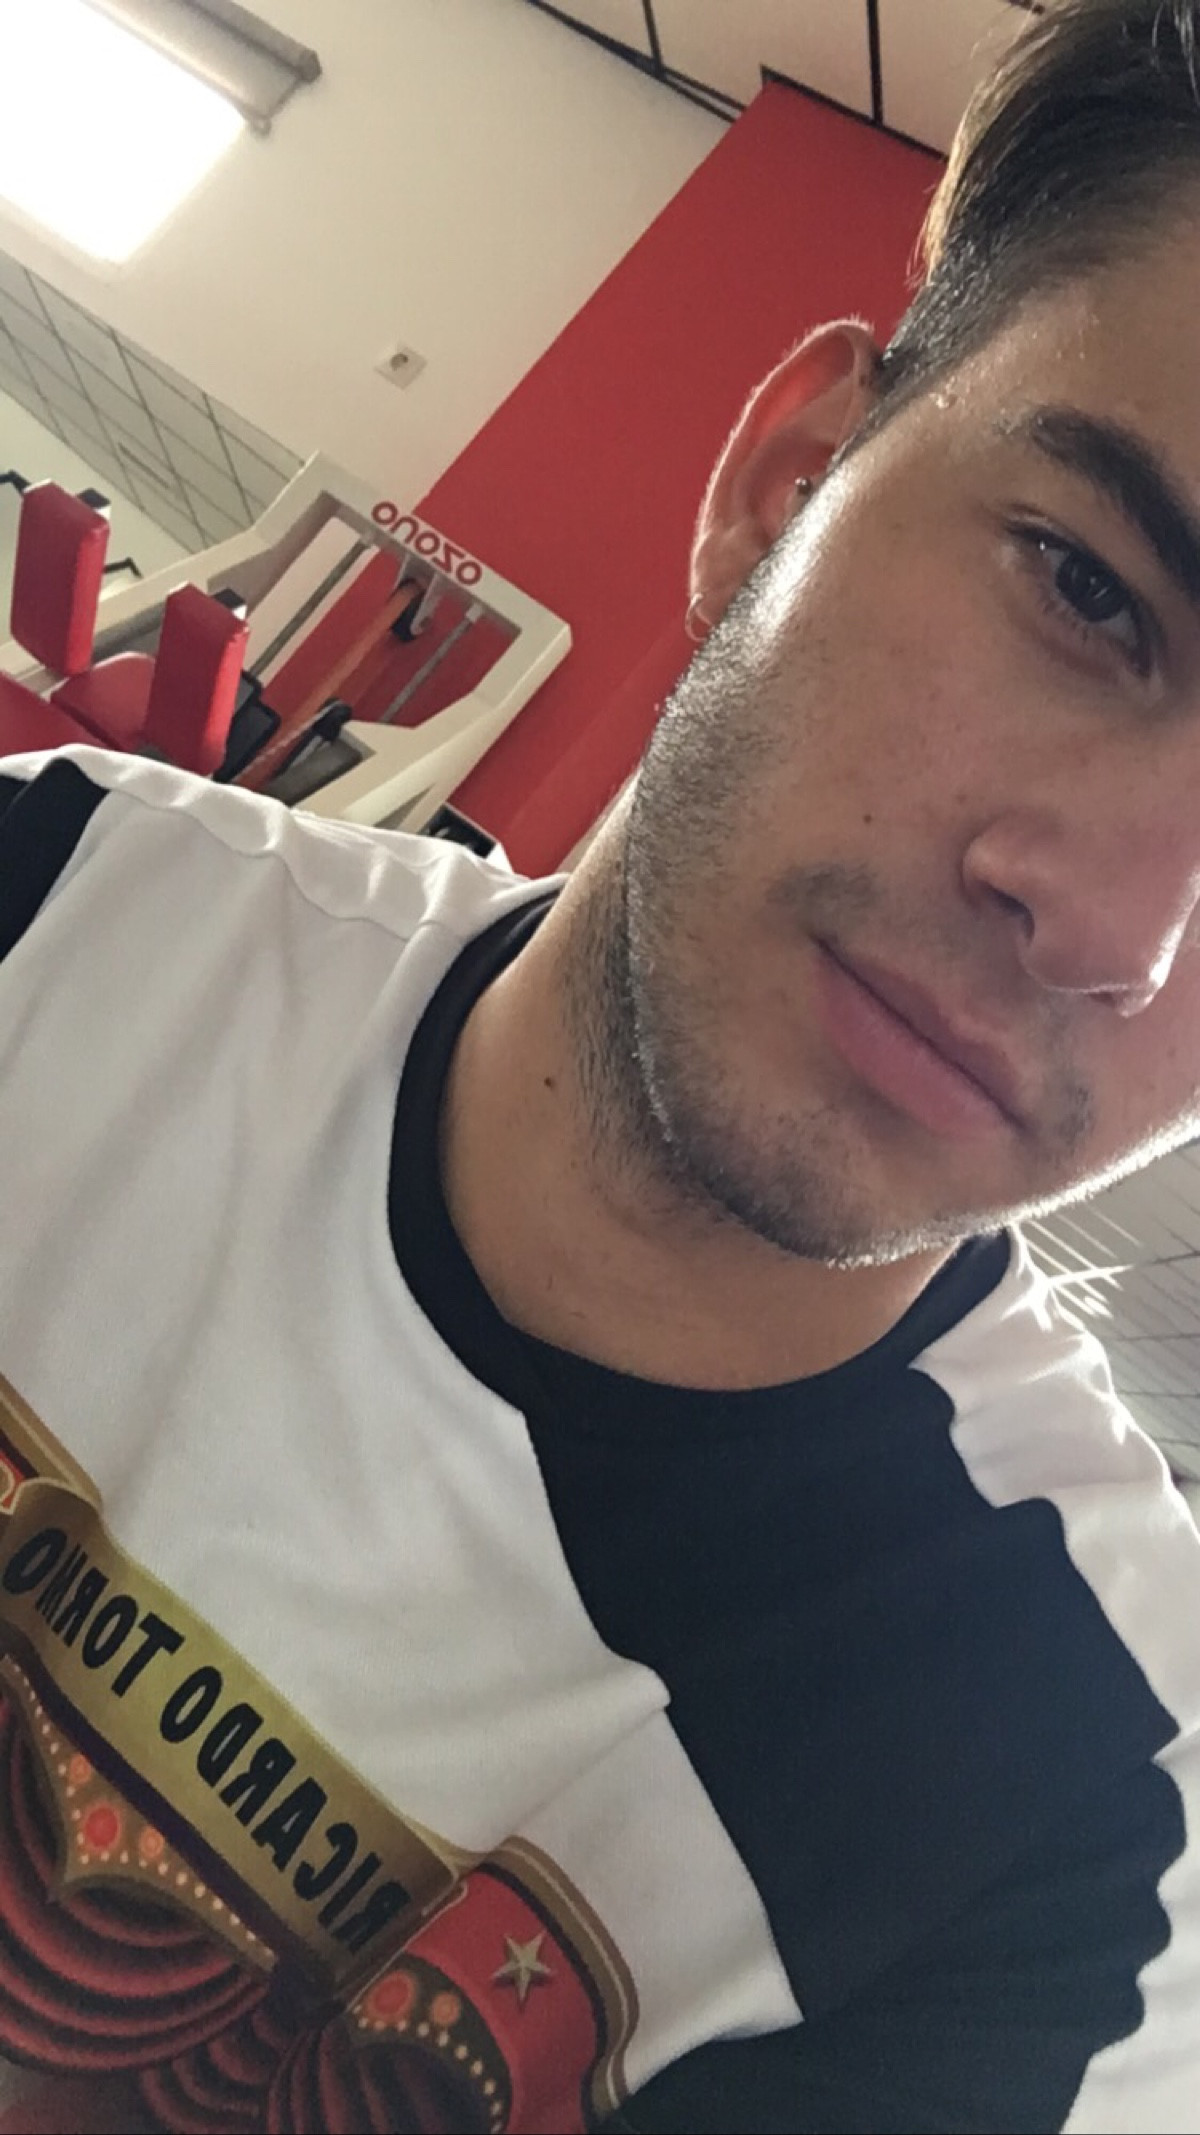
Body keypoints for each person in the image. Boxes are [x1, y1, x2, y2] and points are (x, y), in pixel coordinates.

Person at [1, 0, 1199, 2129]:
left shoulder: (1082, 1837)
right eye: (1092, 595)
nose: (1119, 930)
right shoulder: (56, 913)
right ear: (789, 484)